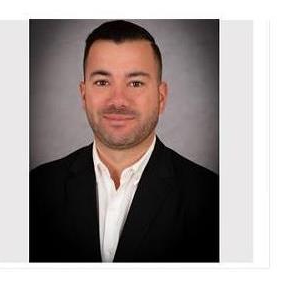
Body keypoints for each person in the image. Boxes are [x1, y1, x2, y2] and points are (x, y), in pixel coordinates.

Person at [29, 20, 219, 262]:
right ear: (84, 94)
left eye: (135, 83)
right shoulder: (34, 190)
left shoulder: (213, 199)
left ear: (161, 98)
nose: (118, 100)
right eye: (102, 82)